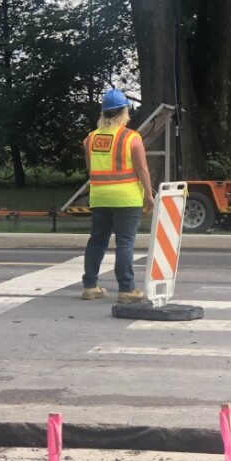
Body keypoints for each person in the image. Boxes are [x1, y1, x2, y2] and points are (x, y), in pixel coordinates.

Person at [81, 88, 155, 303]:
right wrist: (148, 195)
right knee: (124, 242)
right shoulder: (131, 138)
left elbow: (90, 168)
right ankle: (126, 289)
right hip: (126, 197)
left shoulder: (91, 139)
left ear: (103, 113)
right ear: (124, 112)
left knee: (96, 241)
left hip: (100, 197)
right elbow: (142, 168)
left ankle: (90, 286)